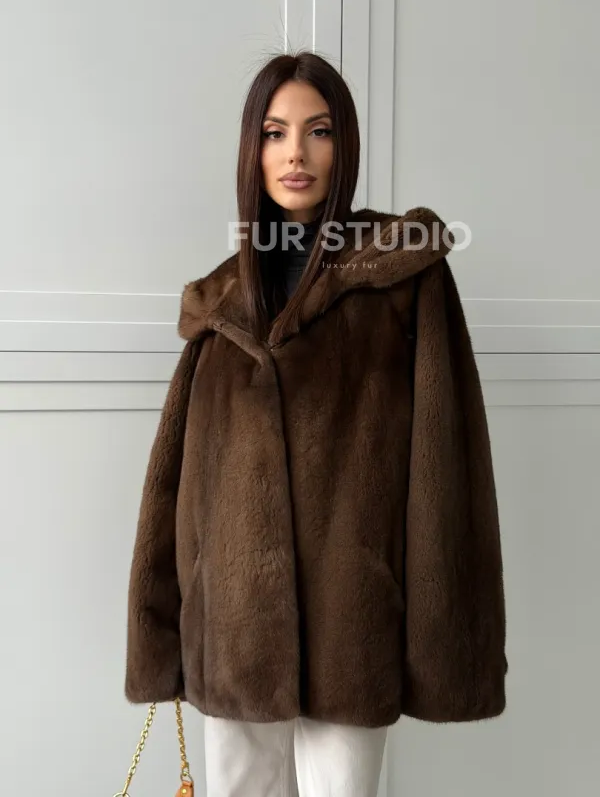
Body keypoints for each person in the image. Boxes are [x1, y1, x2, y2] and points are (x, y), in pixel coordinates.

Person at [124, 51, 508, 797]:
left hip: (350, 624)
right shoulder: (220, 304)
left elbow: (444, 462)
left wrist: (438, 636)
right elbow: (175, 483)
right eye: (274, 133)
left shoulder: (403, 276)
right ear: (252, 150)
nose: (295, 152)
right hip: (232, 630)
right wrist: (164, 628)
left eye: (318, 130)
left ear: (345, 144)